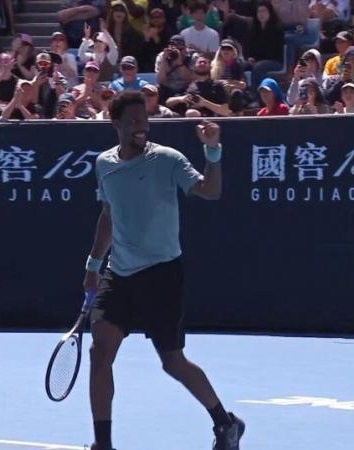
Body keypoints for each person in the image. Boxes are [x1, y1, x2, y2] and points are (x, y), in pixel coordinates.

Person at [85, 89, 245, 450]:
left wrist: (213, 151)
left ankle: (225, 423)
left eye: (145, 121)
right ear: (116, 124)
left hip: (162, 276)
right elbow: (108, 214)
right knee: (99, 355)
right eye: (134, 122)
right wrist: (93, 264)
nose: (142, 128)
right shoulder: (104, 165)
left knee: (172, 363)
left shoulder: (168, 159)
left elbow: (210, 191)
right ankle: (103, 444)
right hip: (119, 276)